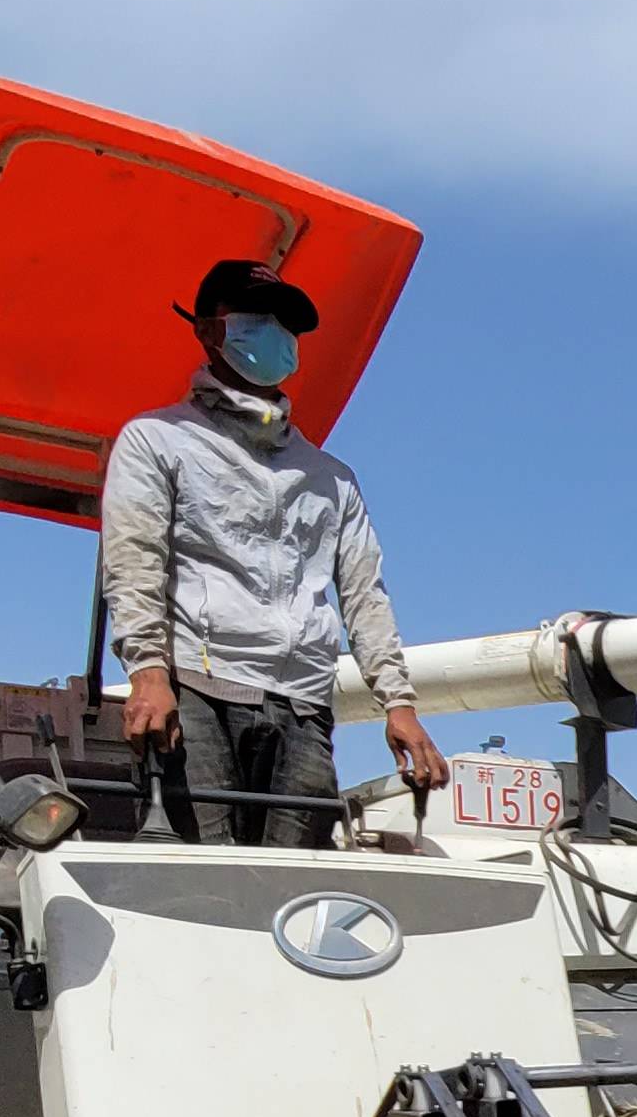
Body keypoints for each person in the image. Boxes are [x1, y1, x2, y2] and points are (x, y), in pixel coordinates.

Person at [99, 257, 448, 846]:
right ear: (208, 329)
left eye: (285, 325)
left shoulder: (331, 476)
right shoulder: (156, 439)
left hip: (304, 705)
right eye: (255, 319)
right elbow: (134, 562)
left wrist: (399, 702)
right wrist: (148, 674)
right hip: (198, 692)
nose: (276, 336)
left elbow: (365, 594)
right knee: (205, 882)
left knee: (297, 887)